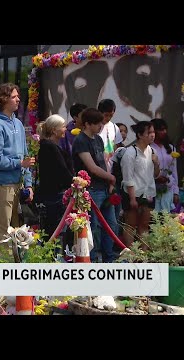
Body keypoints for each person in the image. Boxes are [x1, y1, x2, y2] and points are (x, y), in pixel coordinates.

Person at [0, 83, 35, 247]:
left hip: (18, 184)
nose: (18, 99)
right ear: (3, 100)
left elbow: (26, 155)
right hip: (2, 185)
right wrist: (19, 163)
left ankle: (16, 263)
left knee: (18, 228)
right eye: (14, 96)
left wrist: (28, 183)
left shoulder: (18, 124)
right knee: (3, 228)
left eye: (18, 96)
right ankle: (0, 264)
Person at [72, 108, 117, 263]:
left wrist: (110, 181)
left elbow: (103, 162)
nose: (100, 126)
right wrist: (111, 177)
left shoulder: (98, 139)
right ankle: (93, 260)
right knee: (94, 227)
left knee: (111, 225)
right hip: (91, 190)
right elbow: (92, 167)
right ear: (87, 124)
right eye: (97, 123)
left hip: (104, 188)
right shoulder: (80, 141)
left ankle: (109, 259)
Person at [121, 121, 159, 247]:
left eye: (153, 132)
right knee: (130, 225)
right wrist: (132, 199)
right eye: (149, 133)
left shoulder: (152, 151)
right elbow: (128, 177)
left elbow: (156, 174)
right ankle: (131, 255)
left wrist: (156, 163)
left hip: (148, 193)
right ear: (140, 135)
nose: (152, 135)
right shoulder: (131, 152)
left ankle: (144, 256)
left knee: (145, 225)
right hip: (133, 193)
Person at [36, 115, 74, 243]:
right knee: (55, 230)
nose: (65, 129)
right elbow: (62, 170)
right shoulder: (49, 147)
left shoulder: (52, 146)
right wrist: (75, 182)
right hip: (55, 194)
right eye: (62, 127)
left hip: (55, 194)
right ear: (54, 130)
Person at [150, 118, 179, 212]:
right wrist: (156, 178)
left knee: (166, 219)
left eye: (165, 129)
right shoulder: (148, 147)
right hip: (152, 189)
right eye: (161, 129)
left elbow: (174, 171)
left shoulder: (171, 148)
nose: (164, 132)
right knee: (154, 219)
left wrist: (176, 192)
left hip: (168, 188)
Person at [98, 99, 123, 171]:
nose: (108, 118)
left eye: (111, 115)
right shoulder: (94, 127)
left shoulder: (115, 127)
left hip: (111, 167)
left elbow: (117, 147)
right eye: (106, 115)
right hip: (99, 167)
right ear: (99, 112)